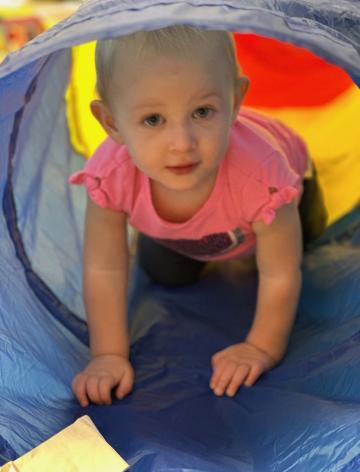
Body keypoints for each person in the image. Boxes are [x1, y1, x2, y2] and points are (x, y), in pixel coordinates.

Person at [69, 25, 327, 407]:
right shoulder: (110, 175)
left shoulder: (264, 176)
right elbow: (103, 268)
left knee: (300, 247)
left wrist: (260, 347)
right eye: (153, 120)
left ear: (236, 101)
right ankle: (176, 233)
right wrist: (107, 355)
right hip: (193, 234)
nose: (183, 143)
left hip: (285, 203)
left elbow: (281, 274)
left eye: (203, 111)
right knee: (166, 274)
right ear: (111, 123)